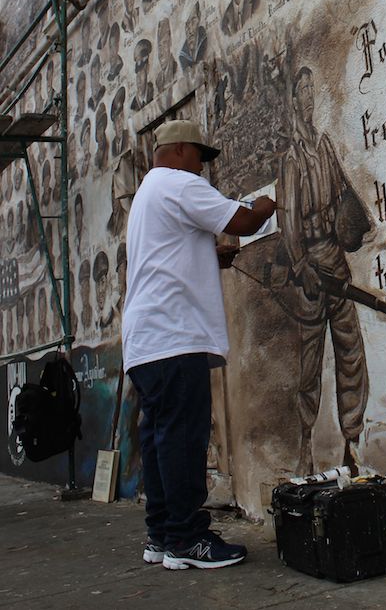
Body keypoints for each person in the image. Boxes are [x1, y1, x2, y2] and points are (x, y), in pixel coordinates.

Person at [122, 118, 275, 569]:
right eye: (201, 159)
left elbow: (167, 255)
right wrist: (270, 202)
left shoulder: (148, 194)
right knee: (183, 440)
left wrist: (211, 256)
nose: (203, 170)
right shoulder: (177, 184)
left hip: (147, 342)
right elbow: (244, 219)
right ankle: (189, 540)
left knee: (158, 439)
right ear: (182, 150)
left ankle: (162, 535)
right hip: (173, 338)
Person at [278, 66, 373, 475]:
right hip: (312, 271)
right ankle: (304, 445)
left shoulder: (325, 147)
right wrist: (301, 265)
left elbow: (344, 195)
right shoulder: (293, 159)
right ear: (292, 100)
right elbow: (288, 220)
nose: (310, 96)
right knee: (310, 363)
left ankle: (352, 443)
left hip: (336, 260)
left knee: (351, 352)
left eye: (311, 89)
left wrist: (353, 224)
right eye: (303, 90)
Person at [179, 2, 207, 72]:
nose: (190, 30)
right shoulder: (183, 56)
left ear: (199, 17)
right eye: (187, 24)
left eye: (193, 20)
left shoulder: (205, 40)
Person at [155, 19, 178, 93]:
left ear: (170, 42)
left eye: (164, 43)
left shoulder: (175, 69)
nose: (161, 52)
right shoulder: (158, 80)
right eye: (159, 46)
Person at [131, 40, 154, 112]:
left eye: (141, 73)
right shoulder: (134, 105)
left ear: (147, 69)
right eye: (137, 74)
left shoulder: (153, 92)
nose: (139, 79)